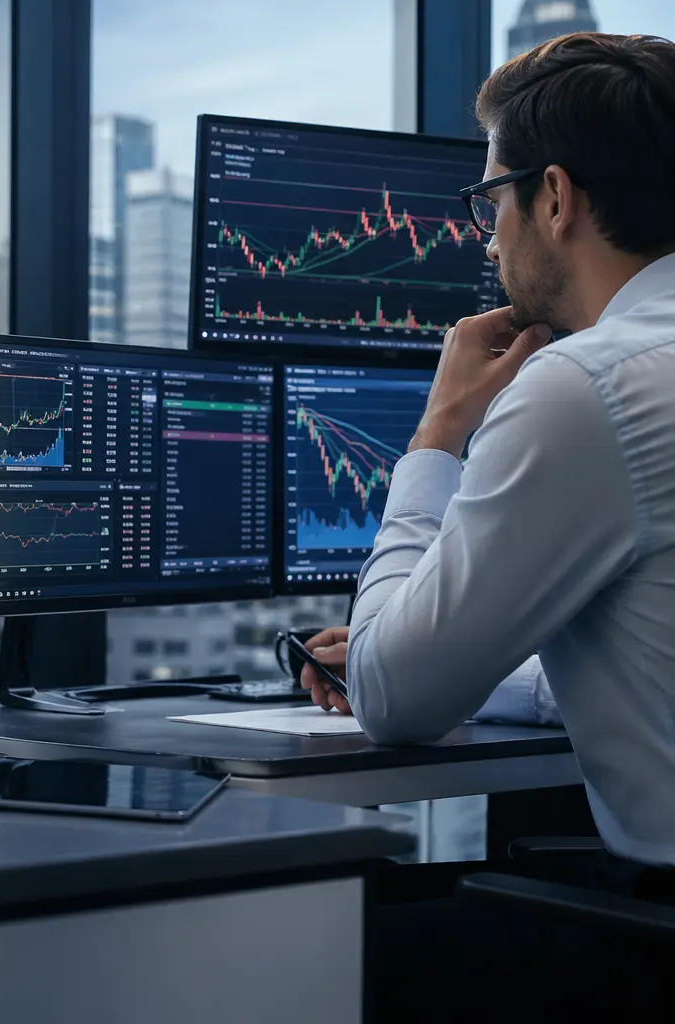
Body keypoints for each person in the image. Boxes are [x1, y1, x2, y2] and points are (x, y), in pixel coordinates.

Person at [294, 31, 675, 1021]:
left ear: (555, 199)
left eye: (489, 199)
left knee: (306, 945)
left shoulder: (588, 386)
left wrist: (438, 432)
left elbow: (390, 697)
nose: (486, 234)